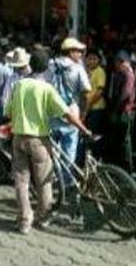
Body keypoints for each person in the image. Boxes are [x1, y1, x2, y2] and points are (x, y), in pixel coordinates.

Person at [5, 49, 91, 235]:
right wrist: (83, 129)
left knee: (21, 182)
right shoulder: (46, 88)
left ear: (31, 65)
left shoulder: (19, 85)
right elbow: (66, 114)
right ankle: (43, 217)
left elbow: (8, 112)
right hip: (39, 141)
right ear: (45, 68)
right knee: (44, 181)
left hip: (18, 138)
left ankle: (24, 221)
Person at [47, 38, 92, 182]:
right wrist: (84, 114)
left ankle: (50, 179)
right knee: (69, 153)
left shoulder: (50, 64)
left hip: (51, 113)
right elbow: (86, 93)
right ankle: (66, 184)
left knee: (50, 151)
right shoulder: (78, 68)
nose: (81, 54)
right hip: (71, 115)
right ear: (71, 52)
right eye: (79, 51)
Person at [107, 50, 136, 173]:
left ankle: (127, 168)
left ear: (127, 62)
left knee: (125, 140)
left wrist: (116, 107)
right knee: (118, 139)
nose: (118, 64)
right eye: (117, 61)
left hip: (124, 111)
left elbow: (126, 94)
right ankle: (119, 166)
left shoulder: (128, 74)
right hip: (118, 110)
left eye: (121, 61)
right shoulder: (118, 73)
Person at [84, 50, 107, 134]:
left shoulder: (100, 71)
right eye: (89, 59)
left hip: (96, 107)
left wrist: (89, 103)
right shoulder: (86, 72)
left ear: (99, 60)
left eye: (94, 59)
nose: (92, 61)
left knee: (93, 133)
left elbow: (100, 91)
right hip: (88, 108)